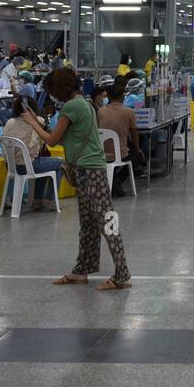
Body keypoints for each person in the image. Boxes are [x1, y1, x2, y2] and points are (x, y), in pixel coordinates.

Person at [21, 67, 131, 290]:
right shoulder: (84, 103)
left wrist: (32, 123)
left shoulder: (71, 107)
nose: (51, 94)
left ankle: (122, 273)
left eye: (52, 90)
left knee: (107, 221)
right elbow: (65, 138)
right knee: (90, 223)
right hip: (87, 168)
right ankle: (82, 270)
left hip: (88, 169)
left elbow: (52, 141)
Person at [0, 96, 63, 211]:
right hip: (28, 165)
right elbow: (40, 144)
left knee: (45, 164)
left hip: (12, 166)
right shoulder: (37, 121)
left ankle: (38, 201)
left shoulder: (9, 122)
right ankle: (49, 200)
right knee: (61, 164)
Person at [96, 82, 142, 198]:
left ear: (109, 97)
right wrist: (138, 149)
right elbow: (134, 134)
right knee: (137, 156)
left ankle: (111, 179)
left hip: (101, 153)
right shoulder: (129, 112)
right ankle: (117, 179)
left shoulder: (101, 111)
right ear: (123, 96)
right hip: (120, 154)